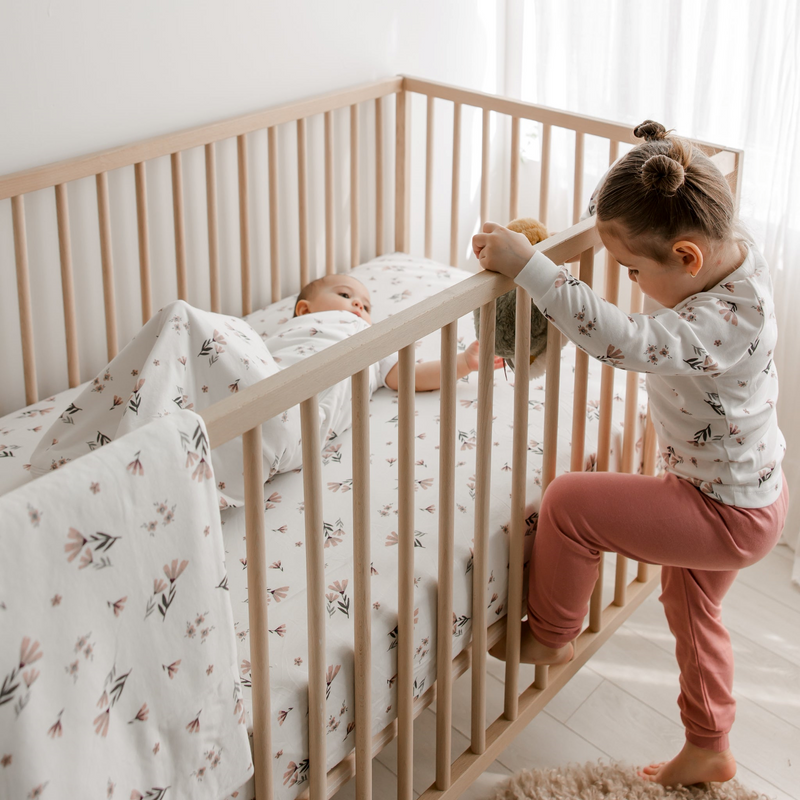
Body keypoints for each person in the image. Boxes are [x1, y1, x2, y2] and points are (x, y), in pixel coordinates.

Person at [472, 121, 788, 789]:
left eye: (633, 272)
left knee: (568, 503)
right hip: (752, 495)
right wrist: (666, 153)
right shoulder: (738, 250)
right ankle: (710, 745)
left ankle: (552, 635)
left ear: (688, 258)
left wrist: (531, 268)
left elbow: (626, 342)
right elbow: (691, 198)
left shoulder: (721, 324)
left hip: (722, 509)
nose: (633, 286)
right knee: (690, 606)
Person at [30, 273, 501, 507]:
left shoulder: (372, 347)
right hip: (254, 405)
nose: (357, 305)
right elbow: (222, 369)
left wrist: (462, 363)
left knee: (182, 317)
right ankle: (136, 447)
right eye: (344, 295)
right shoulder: (276, 339)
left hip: (289, 416)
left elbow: (408, 375)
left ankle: (129, 452)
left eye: (364, 304)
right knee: (192, 363)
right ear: (302, 309)